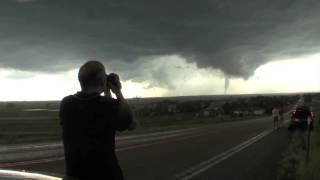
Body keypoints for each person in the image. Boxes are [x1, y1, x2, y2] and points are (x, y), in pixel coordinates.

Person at [59, 61, 136, 180]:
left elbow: (96, 106)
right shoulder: (109, 106)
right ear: (101, 80)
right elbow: (131, 124)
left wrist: (106, 90)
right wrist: (117, 92)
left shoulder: (66, 103)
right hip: (106, 175)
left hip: (74, 175)